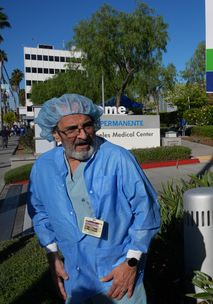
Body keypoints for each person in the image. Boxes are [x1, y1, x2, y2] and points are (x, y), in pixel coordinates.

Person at [27, 94, 161, 303]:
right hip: (76, 277)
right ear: (55, 134)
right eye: (72, 129)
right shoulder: (43, 167)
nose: (82, 135)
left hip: (117, 277)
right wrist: (52, 256)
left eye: (87, 126)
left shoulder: (118, 158)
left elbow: (147, 212)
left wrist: (131, 264)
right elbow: (40, 212)